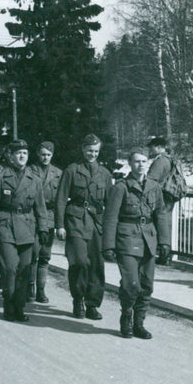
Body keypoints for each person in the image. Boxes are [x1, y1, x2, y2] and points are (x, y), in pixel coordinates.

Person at [102, 146, 171, 339]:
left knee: (147, 284)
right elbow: (110, 218)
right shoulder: (120, 187)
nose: (140, 165)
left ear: (148, 163)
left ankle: (139, 323)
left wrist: (164, 242)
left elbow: (161, 215)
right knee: (131, 284)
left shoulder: (154, 187)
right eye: (136, 161)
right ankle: (126, 317)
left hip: (148, 239)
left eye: (144, 161)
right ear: (130, 164)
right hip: (126, 239)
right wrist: (108, 245)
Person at [0, 140, 49, 322]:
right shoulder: (0, 176)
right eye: (18, 153)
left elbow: (41, 207)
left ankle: (19, 307)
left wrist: (44, 228)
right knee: (9, 268)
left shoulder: (34, 179)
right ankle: (8, 305)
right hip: (5, 225)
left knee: (24, 269)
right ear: (11, 156)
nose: (22, 156)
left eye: (25, 153)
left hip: (27, 228)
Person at [54, 134, 112, 320]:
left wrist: (110, 231)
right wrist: (60, 225)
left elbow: (110, 204)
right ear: (82, 150)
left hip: (96, 223)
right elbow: (61, 198)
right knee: (79, 261)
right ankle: (78, 298)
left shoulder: (105, 174)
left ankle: (92, 304)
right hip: (76, 220)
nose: (92, 154)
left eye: (95, 151)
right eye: (89, 151)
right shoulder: (72, 170)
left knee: (96, 264)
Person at [27, 141, 62, 303]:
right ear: (37, 154)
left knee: (45, 255)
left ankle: (41, 290)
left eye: (48, 155)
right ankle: (30, 287)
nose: (45, 157)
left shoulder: (58, 173)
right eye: (42, 154)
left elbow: (61, 199)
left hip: (49, 217)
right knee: (33, 253)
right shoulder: (30, 171)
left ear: (52, 155)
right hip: (33, 216)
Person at [147, 136, 174, 266]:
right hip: (168, 196)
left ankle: (163, 255)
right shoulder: (168, 159)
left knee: (161, 223)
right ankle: (165, 254)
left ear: (158, 147)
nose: (150, 150)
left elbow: (151, 180)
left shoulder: (160, 161)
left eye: (151, 148)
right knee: (165, 223)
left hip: (161, 197)